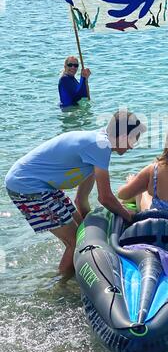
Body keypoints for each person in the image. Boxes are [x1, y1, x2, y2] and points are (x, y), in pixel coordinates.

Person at [5, 110, 146, 276]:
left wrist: (97, 232)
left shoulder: (97, 146)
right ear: (123, 137)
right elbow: (105, 198)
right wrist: (128, 216)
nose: (132, 146)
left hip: (44, 186)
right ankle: (62, 285)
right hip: (27, 186)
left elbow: (81, 200)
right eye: (133, 140)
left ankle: (71, 274)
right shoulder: (100, 147)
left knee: (80, 234)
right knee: (73, 242)